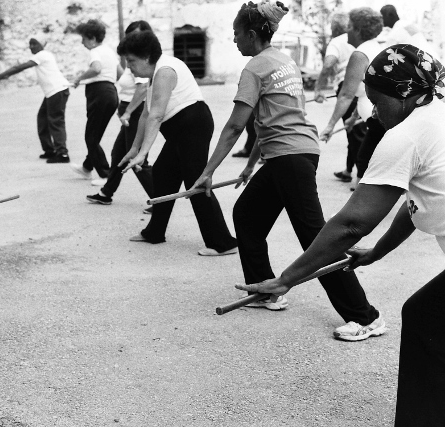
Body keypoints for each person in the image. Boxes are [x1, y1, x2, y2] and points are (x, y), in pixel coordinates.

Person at [237, 44, 445, 426]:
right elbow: (418, 203)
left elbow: (351, 223)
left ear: (403, 92)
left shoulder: (409, 135)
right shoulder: (436, 108)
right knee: (427, 319)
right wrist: (379, 252)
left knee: (425, 321)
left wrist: (287, 279)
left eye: (378, 104)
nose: (375, 115)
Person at [190, 0, 384, 340]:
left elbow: (237, 126)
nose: (234, 40)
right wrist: (251, 164)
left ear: (251, 34)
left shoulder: (255, 67)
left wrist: (207, 172)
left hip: (289, 158)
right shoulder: (284, 62)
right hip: (296, 154)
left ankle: (365, 316)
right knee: (247, 215)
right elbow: (275, 118)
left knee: (317, 239)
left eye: (237, 35)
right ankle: (265, 290)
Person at [118, 31, 238, 256]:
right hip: (181, 128)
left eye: (131, 61)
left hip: (192, 125)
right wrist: (134, 148)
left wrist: (144, 153)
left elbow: (156, 116)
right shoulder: (154, 74)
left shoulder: (165, 72)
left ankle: (223, 243)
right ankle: (155, 232)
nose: (130, 67)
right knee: (164, 173)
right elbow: (145, 114)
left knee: (197, 183)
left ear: (146, 57)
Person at [86, 20, 154, 207]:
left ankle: (159, 199)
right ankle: (106, 193)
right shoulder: (131, 58)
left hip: (136, 112)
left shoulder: (141, 59)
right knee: (118, 154)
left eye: (137, 35)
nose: (133, 39)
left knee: (137, 159)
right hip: (129, 112)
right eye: (130, 35)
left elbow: (141, 89)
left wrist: (128, 112)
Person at [319, 7, 385, 191]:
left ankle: (360, 213)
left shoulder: (359, 55)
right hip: (377, 118)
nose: (346, 30)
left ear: (357, 30)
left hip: (379, 119)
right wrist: (354, 117)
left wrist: (331, 126)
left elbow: (347, 94)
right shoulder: (374, 47)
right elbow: (366, 90)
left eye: (349, 26)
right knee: (364, 159)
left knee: (366, 163)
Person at [0, 36, 71, 163]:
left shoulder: (42, 54)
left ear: (42, 44)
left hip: (57, 91)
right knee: (42, 119)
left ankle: (62, 154)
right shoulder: (43, 55)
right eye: (30, 44)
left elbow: (21, 67)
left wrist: (0, 76)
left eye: (34, 44)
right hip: (52, 93)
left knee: (55, 121)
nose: (31, 47)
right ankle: (50, 150)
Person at [314, 12, 368, 184]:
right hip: (364, 86)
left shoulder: (336, 42)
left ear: (333, 28)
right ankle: (348, 170)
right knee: (354, 132)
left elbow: (329, 64)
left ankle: (362, 178)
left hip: (347, 87)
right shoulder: (361, 41)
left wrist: (318, 88)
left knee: (356, 135)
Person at [70, 19, 119, 182]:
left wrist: (79, 78)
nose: (82, 43)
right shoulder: (109, 52)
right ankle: (87, 167)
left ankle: (106, 175)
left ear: (91, 38)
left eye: (83, 38)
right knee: (95, 135)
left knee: (90, 137)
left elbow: (96, 68)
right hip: (111, 94)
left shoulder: (95, 52)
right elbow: (120, 73)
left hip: (99, 94)